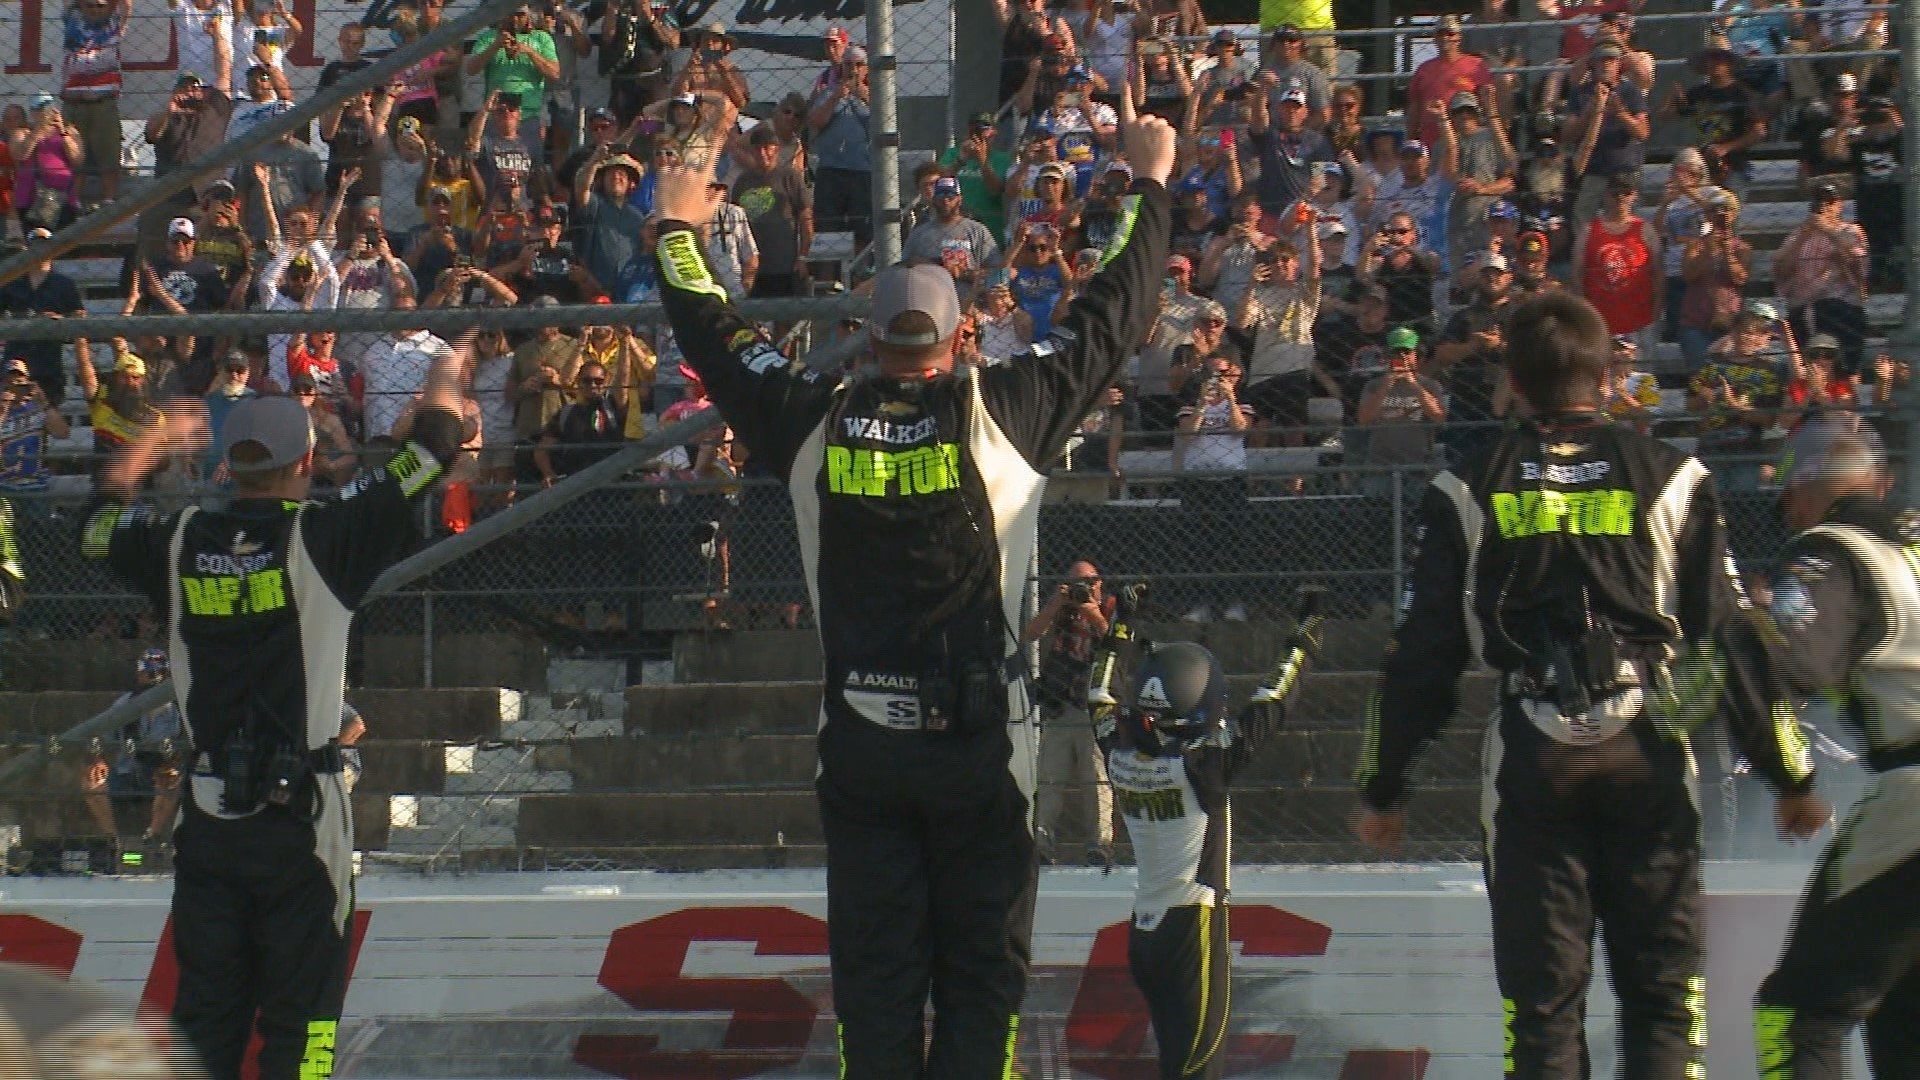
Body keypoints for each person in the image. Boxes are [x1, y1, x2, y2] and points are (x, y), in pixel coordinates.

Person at [649, 88, 1175, 1078]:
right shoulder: (1007, 409)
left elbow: (710, 331)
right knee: (982, 995)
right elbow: (1116, 309)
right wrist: (1149, 181)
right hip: (983, 755)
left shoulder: (809, 417)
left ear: (868, 337)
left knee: (878, 1003)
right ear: (960, 339)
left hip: (863, 755)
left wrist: (676, 226)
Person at [1351, 292, 1820, 1078]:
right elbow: (1731, 634)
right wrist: (1789, 772)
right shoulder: (1674, 475)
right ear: (1605, 377)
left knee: (1540, 1013)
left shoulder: (1466, 485)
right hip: (1652, 742)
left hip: (1532, 753)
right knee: (1666, 1000)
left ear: (1512, 382)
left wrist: (1385, 785)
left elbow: (1422, 653)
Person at [81, 346, 466, 1078]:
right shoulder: (324, 535)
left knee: (204, 1016)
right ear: (307, 461)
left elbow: (92, 531)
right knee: (307, 1019)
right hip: (303, 818)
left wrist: (153, 444)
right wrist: (449, 372)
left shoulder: (179, 539)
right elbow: (432, 453)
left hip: (208, 815)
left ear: (230, 466)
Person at [1725, 413, 1919, 1078]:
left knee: (1797, 1016)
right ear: (1883, 481)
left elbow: (1771, 663)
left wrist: (1793, 784)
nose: (1785, 512)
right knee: (1900, 1012)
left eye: (1787, 495)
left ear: (1808, 491)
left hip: (1913, 802)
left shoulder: (1831, 552)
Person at [1102, 598, 1320, 1080]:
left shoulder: (1118, 751)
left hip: (1144, 931)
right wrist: (1303, 640)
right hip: (1191, 929)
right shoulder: (1202, 766)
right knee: (1200, 1068)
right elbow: (1271, 707)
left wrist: (1117, 633)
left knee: (1176, 1065)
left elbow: (1098, 696)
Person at [1022, 560, 1115, 866]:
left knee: (1095, 778)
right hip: (1060, 703)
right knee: (1050, 778)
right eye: (1076, 583)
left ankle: (1099, 845)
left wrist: (1091, 610)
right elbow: (1031, 634)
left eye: (1089, 582)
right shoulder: (1061, 609)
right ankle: (1042, 844)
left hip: (1093, 705)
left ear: (1098, 584)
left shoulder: (1111, 608)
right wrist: (1056, 604)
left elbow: (1114, 641)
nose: (1082, 589)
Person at [82, 648, 184, 858]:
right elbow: (100, 734)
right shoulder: (124, 703)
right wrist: (98, 759)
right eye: (149, 673)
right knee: (91, 782)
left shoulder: (175, 707)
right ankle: (114, 839)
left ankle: (151, 836)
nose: (154, 678)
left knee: (173, 781)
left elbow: (179, 744)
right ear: (139, 675)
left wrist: (171, 762)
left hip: (156, 770)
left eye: (159, 674)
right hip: (124, 770)